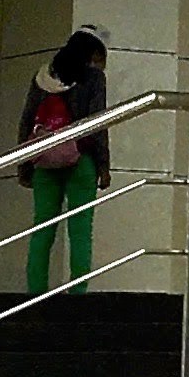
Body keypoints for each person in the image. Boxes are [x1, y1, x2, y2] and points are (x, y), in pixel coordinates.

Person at [18, 28, 112, 296]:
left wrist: (24, 164)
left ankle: (35, 293)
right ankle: (77, 294)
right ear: (94, 53)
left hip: (45, 163)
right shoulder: (94, 78)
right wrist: (103, 165)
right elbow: (97, 123)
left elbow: (27, 121)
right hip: (81, 162)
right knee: (80, 231)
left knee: (42, 229)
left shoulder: (43, 77)